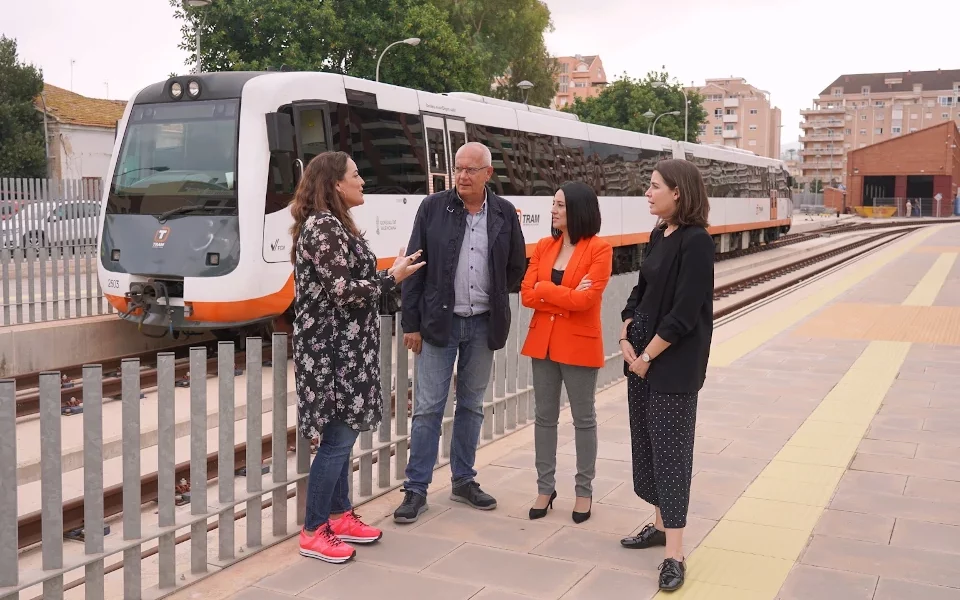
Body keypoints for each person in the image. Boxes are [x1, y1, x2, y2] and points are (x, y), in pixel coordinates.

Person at [290, 151, 424, 563]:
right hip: (331, 355)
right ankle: (314, 529)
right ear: (335, 184)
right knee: (338, 438)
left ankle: (339, 514)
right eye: (356, 174)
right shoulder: (323, 226)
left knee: (340, 436)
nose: (363, 180)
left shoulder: (333, 224)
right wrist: (392, 277)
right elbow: (344, 290)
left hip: (344, 350)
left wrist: (390, 273)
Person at [393, 142, 527, 523]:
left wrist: (496, 294)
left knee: (471, 405)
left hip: (483, 322)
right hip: (439, 324)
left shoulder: (502, 212)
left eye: (471, 170)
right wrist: (412, 323)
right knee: (428, 409)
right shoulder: (433, 208)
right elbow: (414, 265)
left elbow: (517, 264)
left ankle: (463, 480)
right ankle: (415, 490)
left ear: (488, 174)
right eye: (459, 169)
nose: (463, 176)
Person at [617, 159, 714, 592]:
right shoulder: (660, 234)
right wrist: (625, 326)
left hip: (669, 365)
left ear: (678, 192)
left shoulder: (696, 242)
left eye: (654, 186)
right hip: (639, 358)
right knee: (650, 447)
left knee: (673, 456)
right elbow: (643, 290)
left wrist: (648, 356)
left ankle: (674, 553)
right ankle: (658, 526)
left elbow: (685, 311)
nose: (647, 193)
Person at [519, 181, 612, 524]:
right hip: (542, 343)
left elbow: (587, 300)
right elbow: (527, 293)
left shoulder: (600, 249)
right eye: (553, 204)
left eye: (559, 205)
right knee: (544, 418)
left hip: (579, 345)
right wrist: (558, 291)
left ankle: (584, 492)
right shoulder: (544, 245)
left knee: (583, 420)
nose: (553, 210)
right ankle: (546, 488)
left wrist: (546, 290)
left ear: (578, 209)